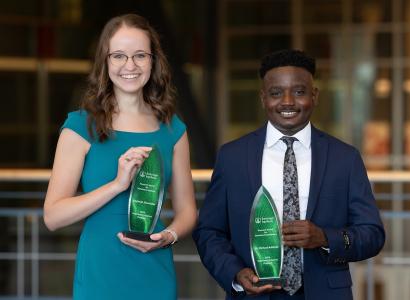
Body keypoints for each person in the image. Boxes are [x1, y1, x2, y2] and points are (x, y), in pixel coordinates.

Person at [192, 49, 385, 299]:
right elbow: (209, 232)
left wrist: (325, 237)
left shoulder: (345, 158)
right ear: (263, 98)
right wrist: (236, 273)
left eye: (299, 92)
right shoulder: (232, 157)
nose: (287, 102)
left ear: (314, 96)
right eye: (275, 93)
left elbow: (372, 234)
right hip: (255, 293)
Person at [43, 14, 197, 300]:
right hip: (100, 273)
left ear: (153, 61)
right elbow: (53, 216)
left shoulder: (173, 129)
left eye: (140, 55)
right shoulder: (80, 126)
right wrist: (117, 184)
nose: (130, 65)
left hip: (155, 269)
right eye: (119, 56)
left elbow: (187, 211)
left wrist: (169, 236)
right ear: (105, 62)